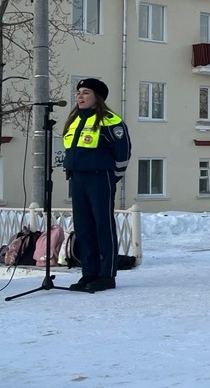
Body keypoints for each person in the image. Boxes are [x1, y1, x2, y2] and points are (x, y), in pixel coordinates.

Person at [63, 78, 132, 293]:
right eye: (78, 93)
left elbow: (123, 152)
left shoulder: (111, 121)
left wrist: (114, 177)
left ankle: (106, 275)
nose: (80, 97)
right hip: (78, 178)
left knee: (103, 226)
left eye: (85, 93)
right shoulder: (74, 119)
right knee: (83, 227)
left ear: (97, 97)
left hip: (100, 178)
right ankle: (89, 273)